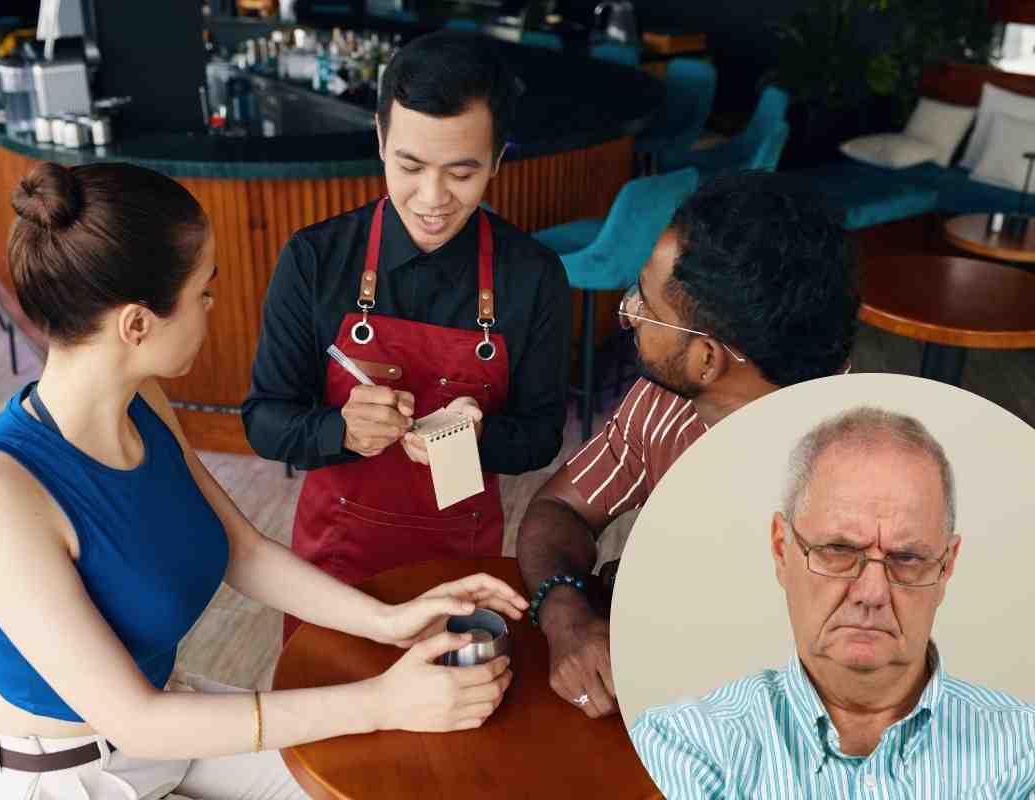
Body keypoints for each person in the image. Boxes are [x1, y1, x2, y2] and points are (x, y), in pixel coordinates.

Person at [0, 161, 526, 799]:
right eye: (204, 293)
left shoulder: (144, 402)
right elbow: (133, 717)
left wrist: (390, 621)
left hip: (168, 726)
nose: (214, 309)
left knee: (378, 780)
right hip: (70, 778)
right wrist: (383, 700)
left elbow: (242, 551)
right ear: (137, 324)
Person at [241, 31, 571, 638]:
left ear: (498, 160)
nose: (433, 199)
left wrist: (479, 438)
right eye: (410, 166)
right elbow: (264, 419)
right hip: (335, 570)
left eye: (463, 173)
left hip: (461, 566)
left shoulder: (533, 276)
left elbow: (541, 436)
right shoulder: (316, 259)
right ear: (380, 138)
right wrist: (339, 428)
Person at [516, 172, 860, 719]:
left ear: (707, 359)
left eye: (646, 305)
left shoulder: (869, 491)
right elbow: (562, 507)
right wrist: (565, 614)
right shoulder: (667, 400)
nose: (626, 312)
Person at [629, 407, 1035, 797]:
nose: (872, 593)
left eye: (907, 558)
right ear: (781, 548)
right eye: (838, 549)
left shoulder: (1024, 753)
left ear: (946, 566)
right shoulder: (683, 747)